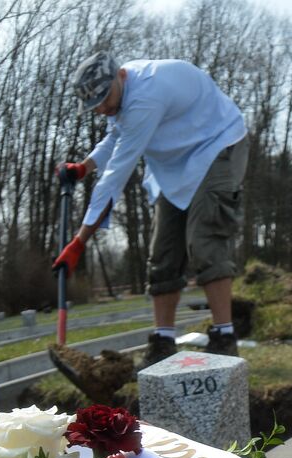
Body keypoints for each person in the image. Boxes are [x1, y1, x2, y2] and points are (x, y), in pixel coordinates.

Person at [53, 52, 248, 366]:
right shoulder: (122, 97)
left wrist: (79, 241)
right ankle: (163, 342)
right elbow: (114, 136)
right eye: (96, 106)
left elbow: (115, 177)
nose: (103, 108)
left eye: (105, 99)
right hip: (175, 163)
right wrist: (83, 168)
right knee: (163, 253)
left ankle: (225, 337)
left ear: (121, 76)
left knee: (204, 239)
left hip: (216, 145)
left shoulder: (146, 96)